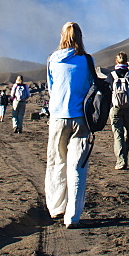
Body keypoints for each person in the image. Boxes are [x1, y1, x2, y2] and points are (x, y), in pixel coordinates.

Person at [45, 22, 97, 228]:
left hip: (58, 117)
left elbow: (51, 88)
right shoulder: (87, 60)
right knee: (78, 167)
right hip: (81, 119)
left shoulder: (52, 60)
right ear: (80, 36)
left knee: (57, 162)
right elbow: (92, 87)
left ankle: (57, 207)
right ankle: (72, 217)